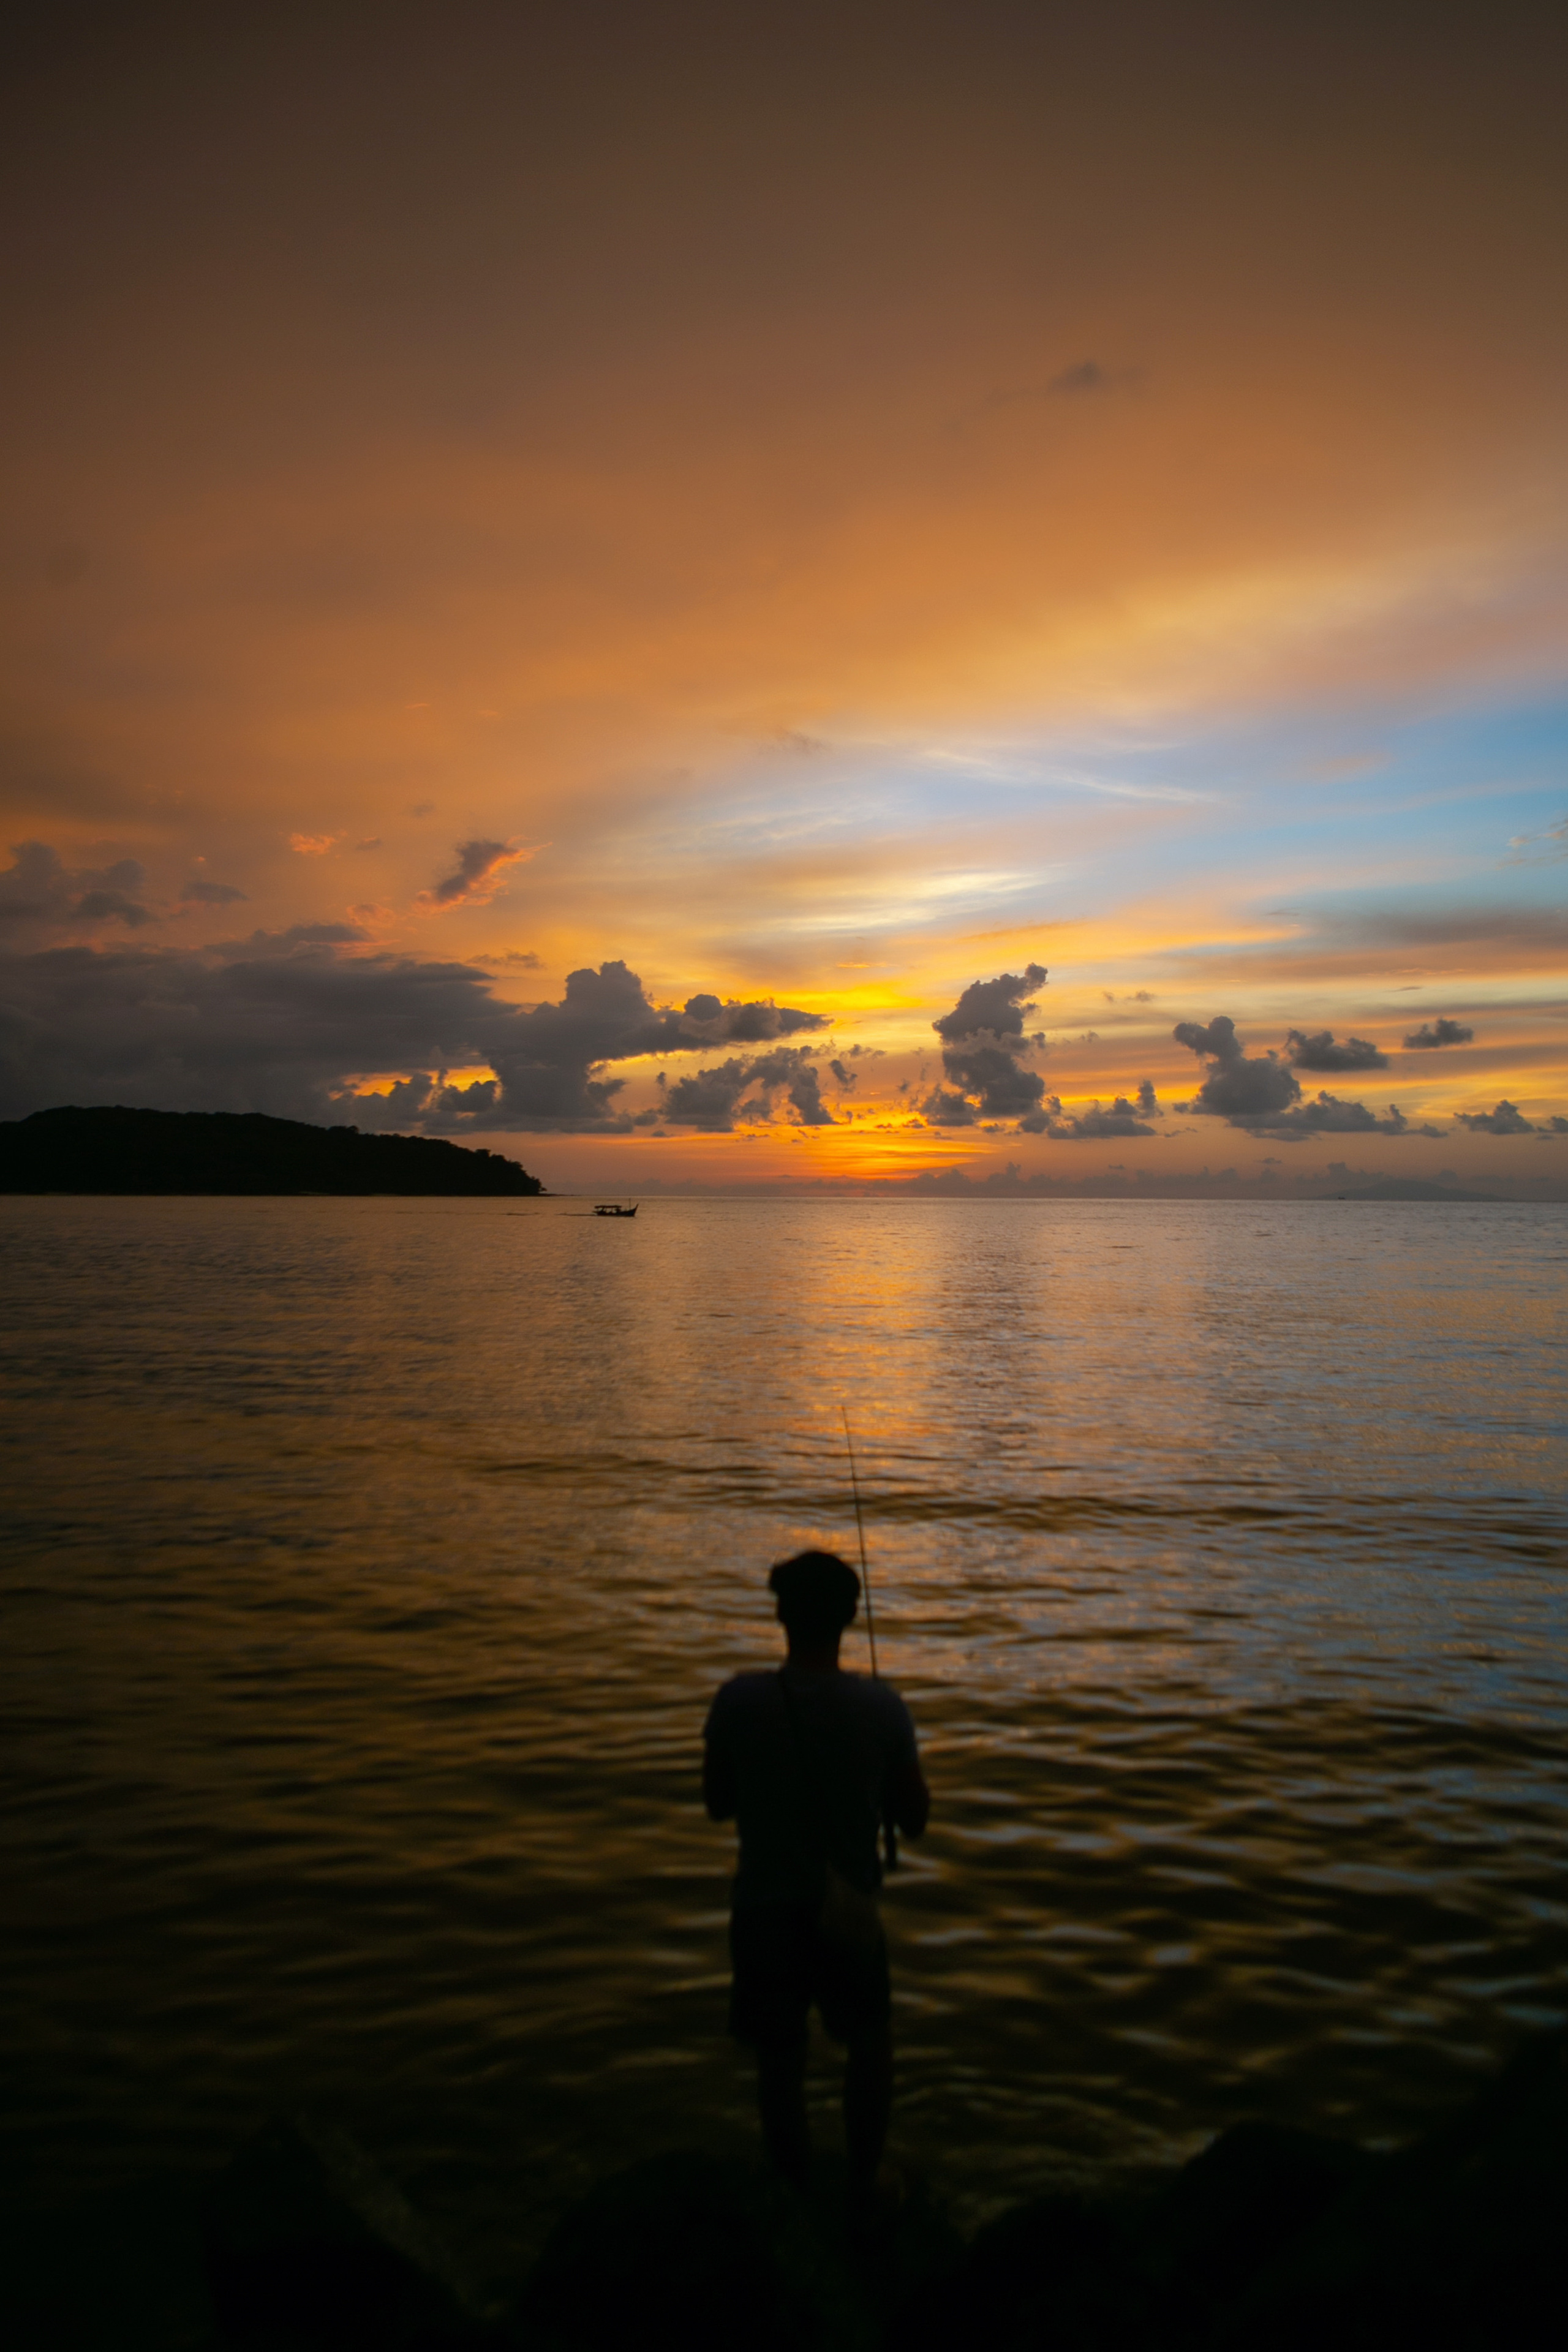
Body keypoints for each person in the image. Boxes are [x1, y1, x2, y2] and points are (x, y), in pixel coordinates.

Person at [703, 1548, 930, 2211]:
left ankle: (792, 2193)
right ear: (850, 1619)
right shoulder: (883, 1710)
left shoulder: (737, 1701)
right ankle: (865, 2183)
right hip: (849, 1908)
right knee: (868, 2044)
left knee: (779, 2058)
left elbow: (717, 1804)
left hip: (764, 1905)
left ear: (780, 1613)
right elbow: (913, 1820)